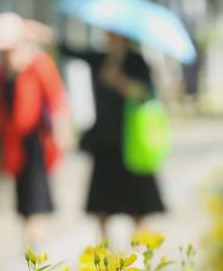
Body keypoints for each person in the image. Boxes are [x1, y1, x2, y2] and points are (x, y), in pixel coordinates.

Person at [62, 32, 165, 241]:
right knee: (101, 200)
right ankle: (104, 245)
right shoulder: (100, 58)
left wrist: (119, 81)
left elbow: (143, 94)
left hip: (130, 137)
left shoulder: (137, 62)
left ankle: (138, 247)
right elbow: (71, 51)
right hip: (104, 138)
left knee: (138, 199)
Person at [0, 12, 68, 248]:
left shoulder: (39, 65)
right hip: (14, 144)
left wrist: (62, 133)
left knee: (36, 197)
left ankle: (34, 242)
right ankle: (30, 238)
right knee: (23, 200)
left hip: (37, 141)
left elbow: (57, 101)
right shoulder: (0, 74)